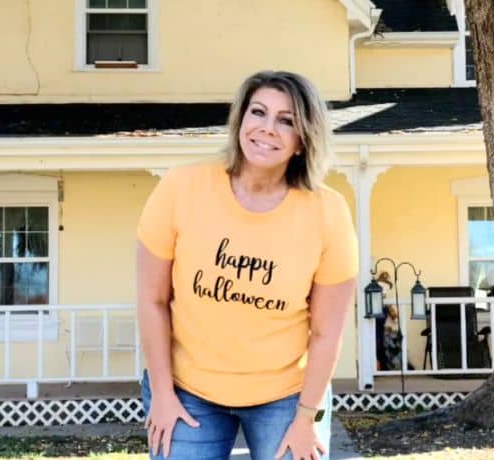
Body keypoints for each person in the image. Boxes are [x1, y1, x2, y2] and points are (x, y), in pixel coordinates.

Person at [136, 70, 358, 460]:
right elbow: (152, 300)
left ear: (303, 141)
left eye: (286, 120)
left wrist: (306, 418)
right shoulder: (180, 188)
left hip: (286, 395)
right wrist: (163, 395)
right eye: (258, 112)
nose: (267, 128)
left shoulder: (328, 213)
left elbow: (326, 332)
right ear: (240, 121)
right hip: (188, 389)